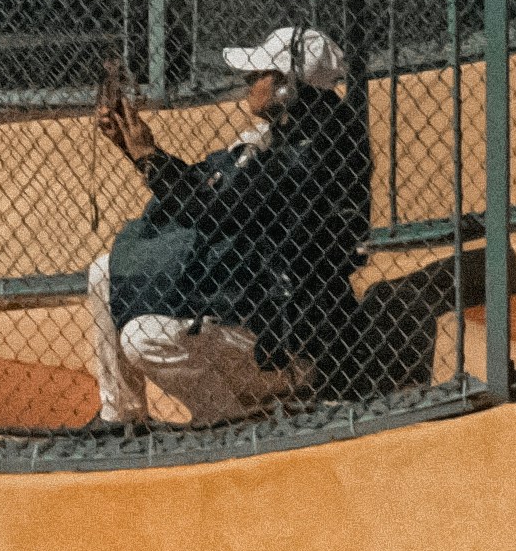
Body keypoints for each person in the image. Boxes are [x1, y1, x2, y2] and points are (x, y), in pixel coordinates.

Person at [86, 25, 370, 426]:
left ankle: (225, 423)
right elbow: (205, 188)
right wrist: (136, 151)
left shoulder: (312, 155)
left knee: (142, 337)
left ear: (289, 85)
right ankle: (121, 418)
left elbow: (218, 210)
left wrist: (149, 158)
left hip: (289, 350)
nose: (247, 83)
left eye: (258, 76)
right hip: (250, 309)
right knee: (103, 272)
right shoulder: (281, 136)